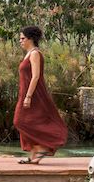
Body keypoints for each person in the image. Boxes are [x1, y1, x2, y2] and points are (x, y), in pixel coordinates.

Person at [14, 25, 68, 163]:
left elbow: (36, 76)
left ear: (30, 39)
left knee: (19, 120)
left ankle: (43, 147)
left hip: (34, 94)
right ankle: (34, 155)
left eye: (22, 38)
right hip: (25, 93)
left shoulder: (35, 54)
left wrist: (29, 96)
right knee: (25, 121)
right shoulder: (28, 54)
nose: (20, 41)